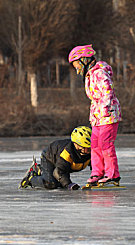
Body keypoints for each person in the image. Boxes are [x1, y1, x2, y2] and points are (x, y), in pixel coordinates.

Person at [68, 44, 122, 186]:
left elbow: (107, 92)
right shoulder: (89, 75)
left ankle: (112, 174)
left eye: (76, 64)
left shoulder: (99, 73)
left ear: (84, 60)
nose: (76, 69)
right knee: (95, 144)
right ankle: (97, 172)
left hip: (108, 115)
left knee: (106, 144)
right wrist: (94, 115)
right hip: (97, 117)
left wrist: (104, 110)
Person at [19, 126, 92, 190]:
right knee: (51, 184)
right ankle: (31, 178)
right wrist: (68, 184)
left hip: (63, 165)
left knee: (59, 183)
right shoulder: (67, 153)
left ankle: (40, 169)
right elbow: (58, 172)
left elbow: (96, 166)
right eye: (87, 148)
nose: (90, 151)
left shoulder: (91, 152)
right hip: (50, 158)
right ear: (76, 145)